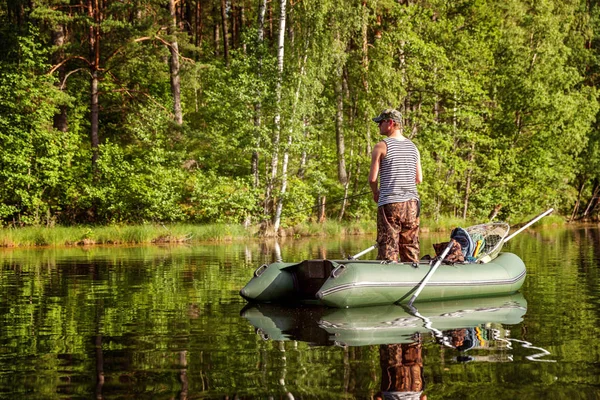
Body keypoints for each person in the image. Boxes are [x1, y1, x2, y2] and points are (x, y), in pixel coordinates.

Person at [369, 108, 423, 262]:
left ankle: (387, 279)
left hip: (390, 204)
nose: (378, 125)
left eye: (380, 122)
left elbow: (372, 179)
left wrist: (375, 192)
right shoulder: (413, 147)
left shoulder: (381, 146)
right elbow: (418, 178)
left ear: (390, 123)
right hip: (412, 204)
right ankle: (412, 275)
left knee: (388, 247)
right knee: (410, 246)